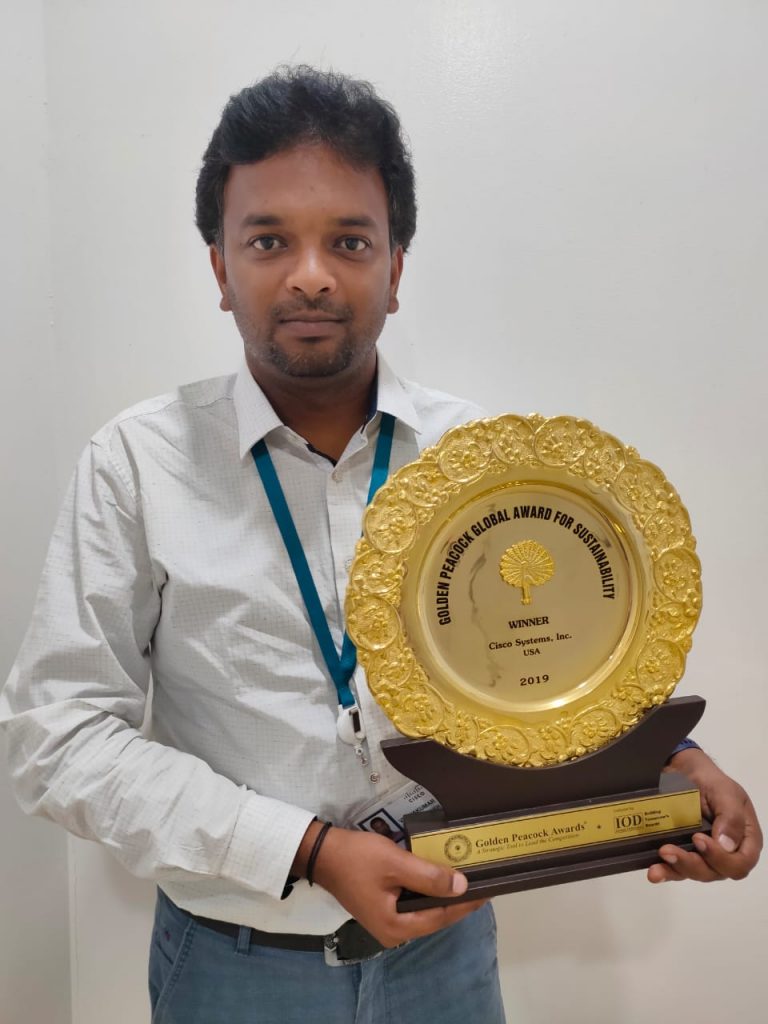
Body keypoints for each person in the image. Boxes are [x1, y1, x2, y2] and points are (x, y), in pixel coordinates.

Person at [0, 66, 761, 1024]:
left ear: (395, 269)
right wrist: (309, 849)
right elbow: (57, 736)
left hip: (448, 950)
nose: (311, 273)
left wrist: (677, 766)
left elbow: (545, 667)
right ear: (219, 268)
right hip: (234, 965)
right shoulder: (136, 466)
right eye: (269, 240)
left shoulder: (482, 459)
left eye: (350, 241)